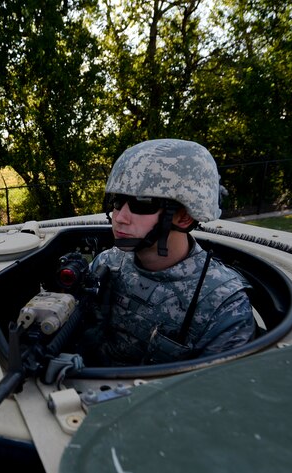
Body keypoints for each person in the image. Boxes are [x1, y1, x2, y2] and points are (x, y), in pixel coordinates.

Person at [84, 138, 256, 366]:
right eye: (117, 202)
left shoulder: (223, 305)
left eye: (142, 204)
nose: (120, 218)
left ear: (184, 217)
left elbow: (215, 391)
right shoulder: (107, 263)